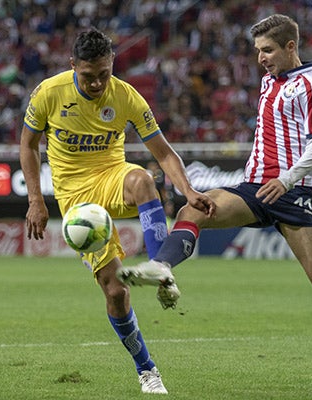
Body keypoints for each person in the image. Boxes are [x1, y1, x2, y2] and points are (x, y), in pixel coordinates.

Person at [118, 14, 312, 382]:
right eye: (258, 51)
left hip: (296, 193)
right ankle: (162, 266)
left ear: (291, 47)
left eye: (268, 50)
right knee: (194, 207)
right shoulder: (268, 81)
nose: (261, 57)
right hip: (255, 188)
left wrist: (288, 179)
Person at [19, 28, 214, 394]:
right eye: (88, 76)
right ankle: (147, 369)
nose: (96, 84)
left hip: (112, 175)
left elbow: (163, 152)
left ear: (113, 65)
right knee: (116, 292)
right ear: (73, 65)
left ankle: (161, 269)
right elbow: (27, 145)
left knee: (142, 179)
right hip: (75, 196)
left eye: (104, 74)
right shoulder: (48, 93)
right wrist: (35, 199)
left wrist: (187, 190)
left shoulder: (126, 96)